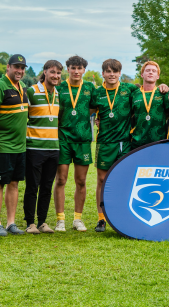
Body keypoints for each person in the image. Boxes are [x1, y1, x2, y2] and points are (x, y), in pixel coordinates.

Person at [91, 59, 141, 232]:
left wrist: (168, 86)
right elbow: (87, 111)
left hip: (124, 142)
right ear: (103, 73)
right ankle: (101, 218)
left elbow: (148, 95)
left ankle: (123, 215)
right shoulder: (97, 93)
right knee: (101, 180)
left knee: (124, 179)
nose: (112, 74)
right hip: (104, 142)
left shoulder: (130, 89)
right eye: (108, 71)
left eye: (115, 71)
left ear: (120, 73)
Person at [54, 56, 96, 232]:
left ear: (84, 70)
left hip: (83, 140)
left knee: (81, 180)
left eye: (79, 68)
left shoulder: (89, 88)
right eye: (73, 68)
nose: (76, 71)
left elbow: (93, 108)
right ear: (68, 69)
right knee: (61, 179)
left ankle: (77, 219)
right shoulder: (60, 87)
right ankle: (60, 220)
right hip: (63, 138)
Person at [23, 60, 63, 234]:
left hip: (53, 148)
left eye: (58, 73)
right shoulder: (31, 91)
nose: (55, 76)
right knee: (33, 186)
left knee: (47, 186)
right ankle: (30, 223)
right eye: (52, 72)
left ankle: (42, 222)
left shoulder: (58, 93)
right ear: (45, 72)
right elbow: (21, 116)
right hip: (34, 148)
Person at [0, 54, 29, 236]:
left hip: (20, 146)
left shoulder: (23, 87)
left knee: (14, 183)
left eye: (22, 68)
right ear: (8, 67)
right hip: (3, 146)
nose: (19, 71)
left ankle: (11, 223)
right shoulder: (1, 85)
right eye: (16, 67)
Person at [130, 61, 168, 149]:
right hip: (137, 142)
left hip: (159, 142)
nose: (151, 72)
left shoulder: (163, 93)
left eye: (154, 71)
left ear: (157, 76)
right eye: (148, 70)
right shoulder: (134, 94)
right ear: (142, 74)